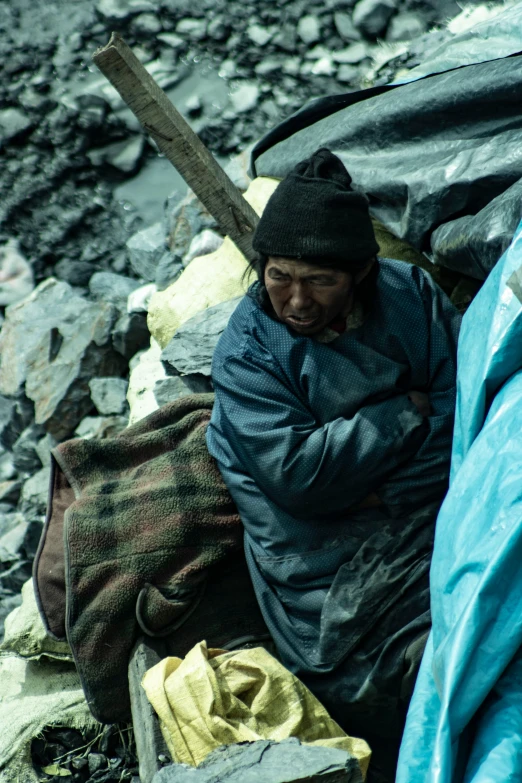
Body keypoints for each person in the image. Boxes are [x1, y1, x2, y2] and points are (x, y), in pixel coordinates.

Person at [205, 148, 461, 782]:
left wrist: (383, 491)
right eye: (279, 275)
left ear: (362, 273)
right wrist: (400, 414)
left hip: (426, 518)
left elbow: (462, 414)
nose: (295, 300)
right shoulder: (246, 355)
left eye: (320, 280)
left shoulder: (411, 297)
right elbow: (297, 478)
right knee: (426, 664)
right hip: (324, 573)